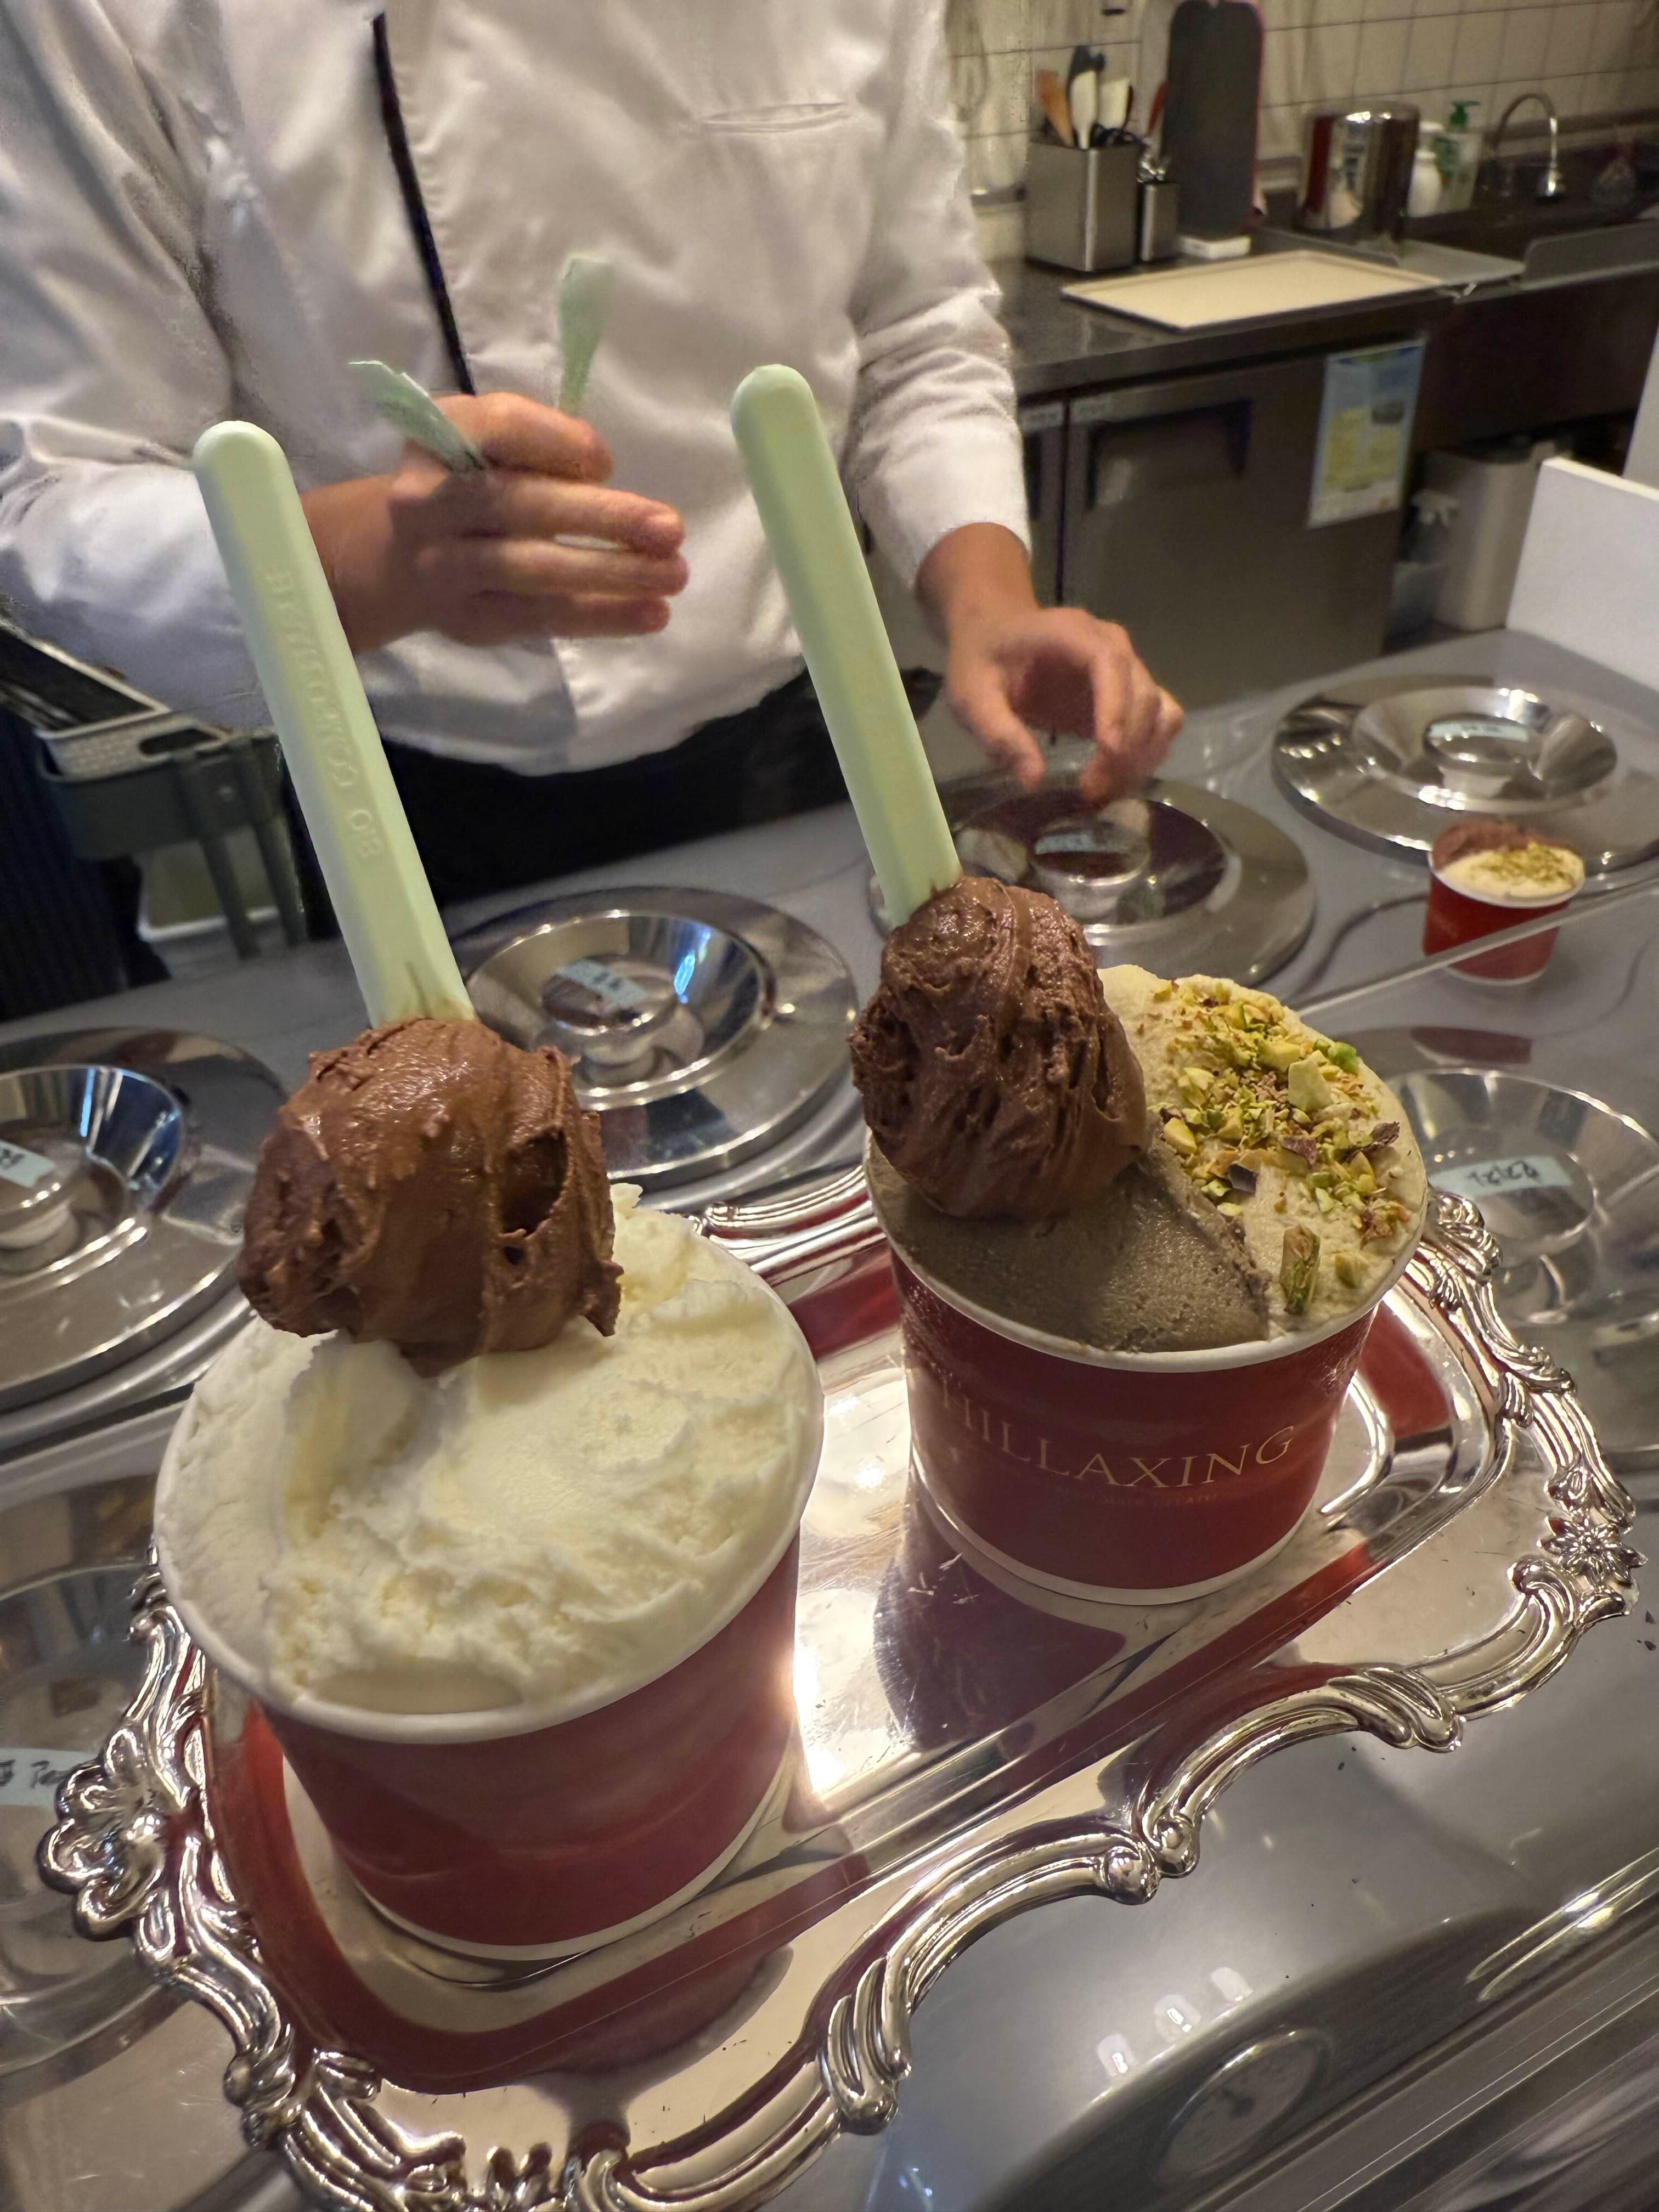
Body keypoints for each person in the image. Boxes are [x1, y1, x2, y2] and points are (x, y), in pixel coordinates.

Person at [0, 1, 1182, 907]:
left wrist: (987, 599)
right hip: (409, 799)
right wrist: (384, 555)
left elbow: (917, 331)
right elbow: (57, 484)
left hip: (806, 739)